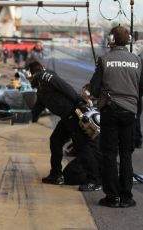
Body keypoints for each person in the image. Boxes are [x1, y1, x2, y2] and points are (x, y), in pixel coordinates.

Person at [89, 26, 143, 208]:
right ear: (127, 40)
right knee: (126, 154)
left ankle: (112, 197)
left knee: (109, 154)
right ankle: (127, 197)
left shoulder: (104, 60)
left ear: (111, 38)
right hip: (130, 113)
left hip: (110, 112)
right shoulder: (137, 60)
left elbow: (95, 90)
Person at [28, 61, 101, 192]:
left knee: (84, 146)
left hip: (73, 114)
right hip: (66, 117)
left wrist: (79, 102)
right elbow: (38, 106)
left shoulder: (45, 77)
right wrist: (29, 118)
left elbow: (66, 88)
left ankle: (94, 180)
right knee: (55, 140)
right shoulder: (41, 88)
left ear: (33, 73)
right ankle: (56, 174)